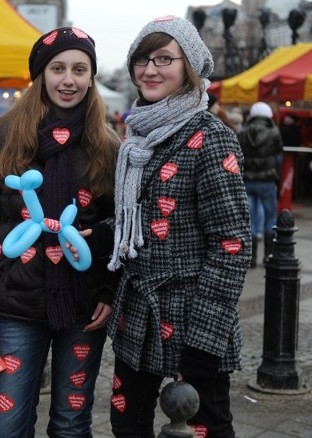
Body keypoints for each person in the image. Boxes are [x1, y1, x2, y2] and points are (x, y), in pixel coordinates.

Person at [0, 27, 121, 437]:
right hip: (17, 305)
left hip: (84, 305)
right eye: (58, 68)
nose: (68, 80)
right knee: (9, 424)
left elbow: (119, 227)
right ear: (41, 75)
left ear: (91, 77)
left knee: (71, 424)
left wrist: (107, 289)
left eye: (79, 69)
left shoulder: (107, 145)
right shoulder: (3, 138)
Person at [106, 16, 251, 437]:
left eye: (164, 59)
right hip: (137, 319)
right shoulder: (137, 138)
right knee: (127, 426)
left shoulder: (211, 137)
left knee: (206, 428)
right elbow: (136, 222)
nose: (149, 70)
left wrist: (203, 343)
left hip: (191, 321)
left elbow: (232, 244)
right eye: (141, 59)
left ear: (190, 66)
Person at [237, 102, 283, 268]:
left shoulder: (242, 132)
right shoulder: (274, 132)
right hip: (267, 181)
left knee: (250, 220)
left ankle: (251, 258)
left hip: (248, 180)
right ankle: (268, 256)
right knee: (270, 218)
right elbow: (278, 156)